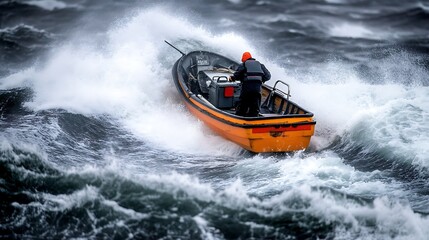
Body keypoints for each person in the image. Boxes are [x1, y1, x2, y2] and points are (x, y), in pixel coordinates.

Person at [229, 52, 271, 117]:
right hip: (257, 90)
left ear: (243, 58)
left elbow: (237, 75)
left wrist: (232, 78)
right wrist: (260, 80)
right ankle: (253, 120)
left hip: (246, 89)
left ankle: (240, 119)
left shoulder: (243, 65)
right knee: (255, 107)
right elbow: (268, 76)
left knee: (242, 106)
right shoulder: (260, 64)